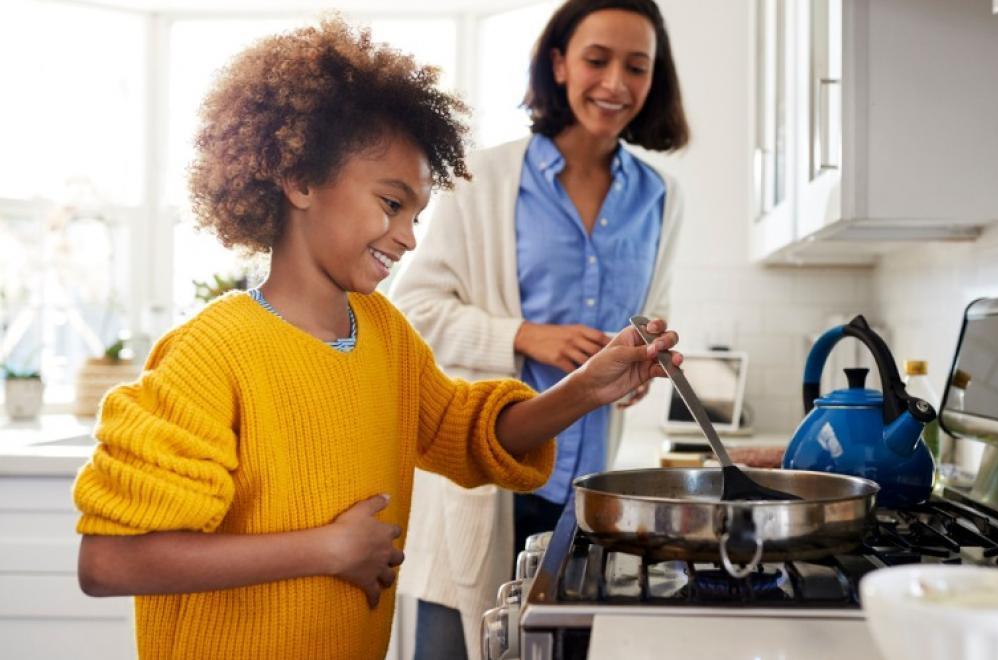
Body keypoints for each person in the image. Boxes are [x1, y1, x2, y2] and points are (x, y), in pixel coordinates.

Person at [70, 17, 681, 660]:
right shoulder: (210, 354)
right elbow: (110, 562)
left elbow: (472, 436)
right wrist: (326, 548)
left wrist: (588, 388)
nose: (409, 237)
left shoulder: (384, 335)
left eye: (417, 214)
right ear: (301, 180)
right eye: (391, 205)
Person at [390, 1, 688, 656]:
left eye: (636, 67)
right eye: (597, 60)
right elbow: (411, 309)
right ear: (559, 64)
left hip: (588, 495)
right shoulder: (483, 180)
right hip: (483, 482)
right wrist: (523, 335)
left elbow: (649, 314)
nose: (615, 83)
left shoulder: (661, 196)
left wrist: (642, 362)